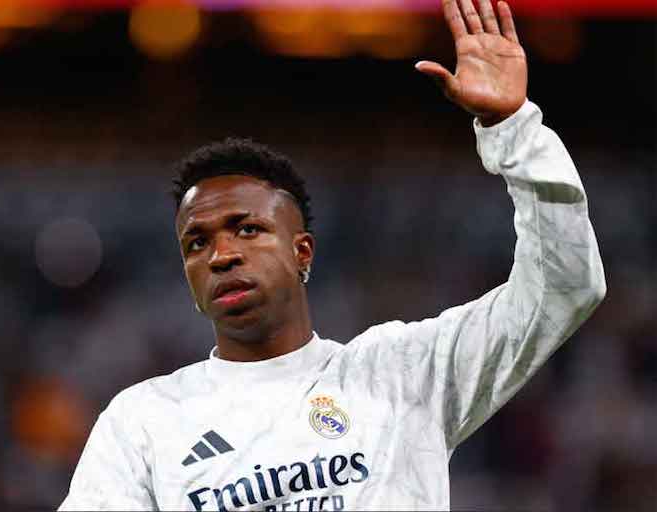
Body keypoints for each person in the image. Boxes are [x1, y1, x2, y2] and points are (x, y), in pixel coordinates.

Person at [59, 0, 606, 510]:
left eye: (247, 229)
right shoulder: (143, 422)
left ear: (303, 252)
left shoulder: (404, 374)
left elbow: (564, 288)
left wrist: (513, 131)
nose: (221, 255)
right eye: (196, 243)